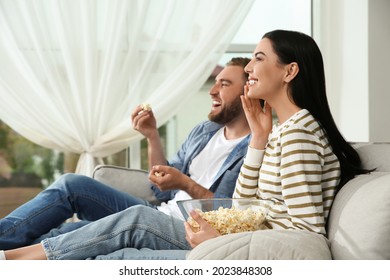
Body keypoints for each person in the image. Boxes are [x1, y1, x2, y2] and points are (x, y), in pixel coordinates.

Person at [2, 30, 368, 260]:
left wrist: (220, 238)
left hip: (238, 244)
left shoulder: (301, 133)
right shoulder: (281, 132)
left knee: (134, 222)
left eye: (259, 58)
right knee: (100, 241)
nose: (251, 70)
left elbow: (305, 232)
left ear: (289, 72)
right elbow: (244, 203)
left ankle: (14, 262)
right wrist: (258, 140)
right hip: (220, 231)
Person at [0, 57, 252, 253]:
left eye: (225, 84)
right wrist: (152, 135)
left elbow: (230, 212)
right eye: (216, 81)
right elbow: (161, 189)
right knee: (71, 184)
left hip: (186, 227)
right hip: (160, 211)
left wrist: (185, 183)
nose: (213, 90)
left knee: (66, 233)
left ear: (247, 92)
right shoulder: (204, 131)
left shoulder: (255, 146)